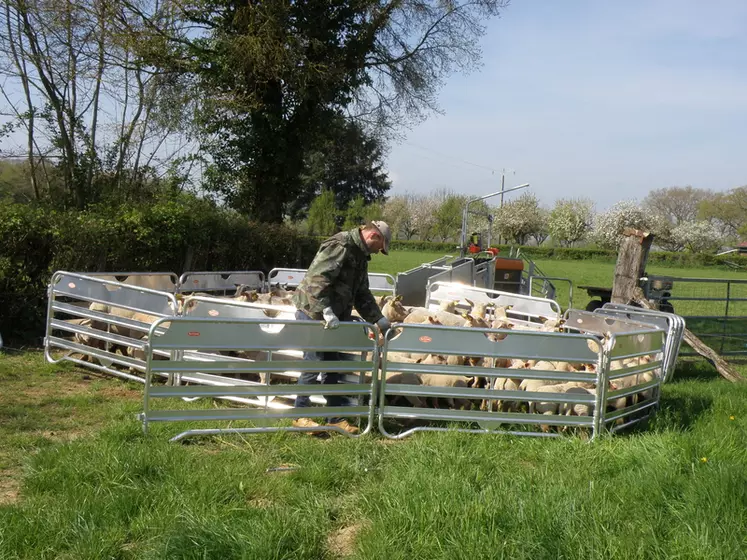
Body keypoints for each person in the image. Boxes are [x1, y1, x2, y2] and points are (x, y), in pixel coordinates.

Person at [291, 221, 393, 434]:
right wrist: (324, 310)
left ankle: (333, 418)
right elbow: (317, 279)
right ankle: (300, 416)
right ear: (374, 236)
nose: (378, 251)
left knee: (332, 366)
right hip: (314, 312)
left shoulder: (359, 255)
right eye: (379, 246)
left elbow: (362, 293)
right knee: (313, 361)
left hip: (334, 318)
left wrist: (379, 319)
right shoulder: (341, 245)